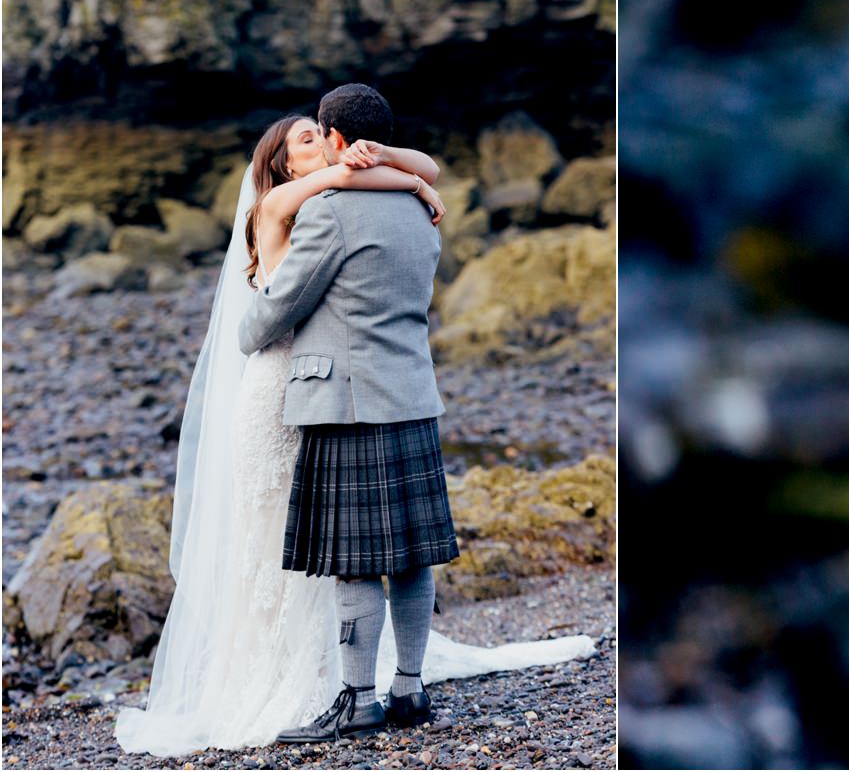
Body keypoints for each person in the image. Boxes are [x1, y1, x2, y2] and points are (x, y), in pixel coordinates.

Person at [116, 87, 594, 756]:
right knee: (412, 551)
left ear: (337, 141)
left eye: (320, 133)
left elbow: (271, 314)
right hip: (412, 393)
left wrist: (251, 324)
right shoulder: (413, 206)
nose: (315, 142)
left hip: (343, 400)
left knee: (351, 559)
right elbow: (420, 173)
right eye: (301, 140)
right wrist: (407, 176)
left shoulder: (331, 216)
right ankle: (408, 686)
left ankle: (357, 700)